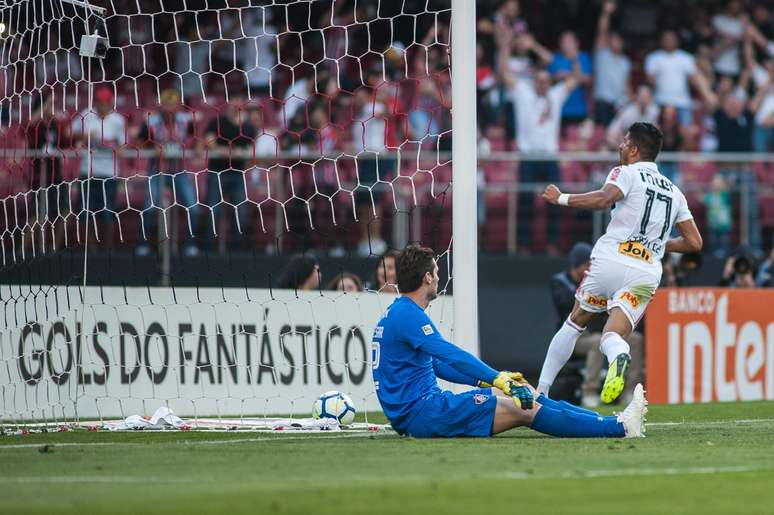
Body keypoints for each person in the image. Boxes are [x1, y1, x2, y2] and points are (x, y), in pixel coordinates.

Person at [371, 243, 647, 438]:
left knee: (524, 391)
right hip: (425, 414)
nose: (439, 277)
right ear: (427, 277)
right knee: (523, 408)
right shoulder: (408, 316)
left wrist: (491, 381)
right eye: (436, 272)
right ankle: (619, 428)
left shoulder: (398, 312)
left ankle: (614, 420)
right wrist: (496, 378)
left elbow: (437, 367)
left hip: (424, 411)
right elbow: (449, 354)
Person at [539, 122, 703, 404]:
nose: (620, 146)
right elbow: (694, 243)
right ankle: (618, 354)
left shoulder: (626, 173)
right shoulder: (675, 192)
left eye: (625, 142)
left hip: (611, 259)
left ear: (635, 149)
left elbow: (604, 199)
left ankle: (540, 392)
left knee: (575, 322)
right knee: (612, 334)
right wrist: (661, 242)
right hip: (646, 271)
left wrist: (561, 198)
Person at [551, 242, 645, 407]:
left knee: (635, 339)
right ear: (577, 264)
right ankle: (590, 392)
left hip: (603, 331)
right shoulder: (560, 281)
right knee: (595, 341)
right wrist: (591, 295)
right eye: (587, 264)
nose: (590, 268)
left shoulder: (599, 280)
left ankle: (629, 391)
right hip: (577, 337)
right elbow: (566, 304)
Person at [135, 89, 199, 257]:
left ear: (179, 105)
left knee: (193, 206)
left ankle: (191, 244)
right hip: (157, 170)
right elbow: (139, 141)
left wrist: (196, 147)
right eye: (167, 103)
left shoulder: (186, 120)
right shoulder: (151, 121)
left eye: (174, 103)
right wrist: (151, 146)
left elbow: (197, 138)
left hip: (179, 170)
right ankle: (143, 244)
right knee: (149, 207)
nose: (170, 107)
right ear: (161, 105)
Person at [71, 86, 126, 247]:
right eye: (100, 102)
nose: (103, 106)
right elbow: (70, 133)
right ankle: (90, 249)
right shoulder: (86, 114)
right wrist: (86, 136)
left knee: (108, 213)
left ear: (111, 103)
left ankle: (107, 250)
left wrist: (111, 146)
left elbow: (123, 146)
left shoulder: (117, 120)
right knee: (84, 212)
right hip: (87, 170)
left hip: (109, 173)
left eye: (106, 103)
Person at [202, 98, 257, 252]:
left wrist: (237, 154)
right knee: (213, 212)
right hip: (217, 173)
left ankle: (236, 252)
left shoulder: (248, 128)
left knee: (240, 214)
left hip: (237, 174)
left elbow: (250, 149)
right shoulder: (218, 122)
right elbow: (209, 143)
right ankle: (207, 250)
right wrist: (230, 153)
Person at [593, 1, 631, 126]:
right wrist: (606, 13)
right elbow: (602, 31)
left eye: (618, 40)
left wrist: (630, 100)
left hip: (619, 105)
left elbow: (626, 85)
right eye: (613, 40)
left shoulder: (626, 62)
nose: (615, 42)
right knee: (602, 137)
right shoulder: (602, 55)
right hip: (602, 104)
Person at [548, 31, 592, 125]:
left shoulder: (583, 57)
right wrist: (557, 77)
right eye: (563, 42)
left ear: (577, 43)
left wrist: (574, 61)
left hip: (578, 110)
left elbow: (587, 81)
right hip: (558, 110)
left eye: (569, 41)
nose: (566, 45)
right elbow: (547, 80)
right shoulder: (555, 58)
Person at [606, 85, 659, 149]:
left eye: (646, 96)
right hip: (626, 145)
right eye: (642, 96)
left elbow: (656, 134)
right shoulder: (628, 112)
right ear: (637, 97)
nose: (643, 99)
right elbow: (613, 133)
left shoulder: (655, 112)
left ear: (650, 98)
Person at [703, 174, 733, 258]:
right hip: (713, 224)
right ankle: (712, 257)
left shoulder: (724, 194)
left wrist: (729, 183)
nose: (716, 184)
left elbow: (729, 188)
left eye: (719, 182)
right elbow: (703, 199)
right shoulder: (710, 196)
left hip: (724, 224)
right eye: (715, 182)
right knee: (713, 241)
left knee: (724, 242)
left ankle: (726, 257)